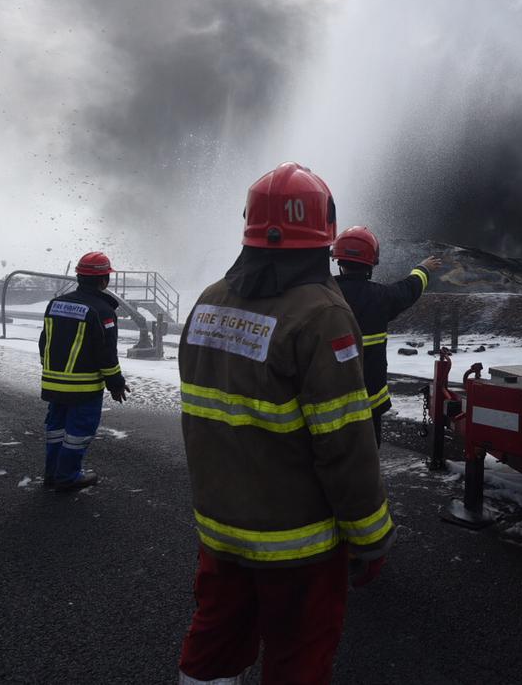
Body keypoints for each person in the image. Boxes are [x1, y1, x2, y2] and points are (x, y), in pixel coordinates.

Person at [178, 162, 394, 685]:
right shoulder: (322, 314)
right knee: (298, 657)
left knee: (214, 644)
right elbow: (344, 442)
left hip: (220, 528)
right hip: (298, 544)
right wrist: (371, 535)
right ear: (324, 232)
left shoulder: (208, 302)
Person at [333, 226, 441, 445]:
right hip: (369, 406)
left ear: (338, 261)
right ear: (371, 264)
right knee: (366, 466)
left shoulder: (322, 294)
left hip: (326, 405)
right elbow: (409, 289)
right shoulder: (381, 298)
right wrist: (423, 268)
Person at [39, 252, 127, 490]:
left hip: (53, 383)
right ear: (104, 280)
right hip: (83, 387)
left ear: (79, 276)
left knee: (56, 428)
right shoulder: (103, 311)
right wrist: (116, 383)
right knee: (78, 431)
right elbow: (106, 354)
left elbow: (44, 342)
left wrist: (50, 371)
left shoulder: (55, 304)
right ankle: (67, 476)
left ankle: (52, 473)